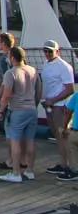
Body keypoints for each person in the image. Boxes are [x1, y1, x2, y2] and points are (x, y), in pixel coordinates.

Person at [0, 46, 42, 183]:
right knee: (30, 141)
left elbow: (6, 95)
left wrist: (1, 111)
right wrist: (34, 104)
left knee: (15, 141)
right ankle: (30, 171)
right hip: (32, 109)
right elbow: (39, 91)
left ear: (12, 58)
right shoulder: (33, 70)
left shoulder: (10, 73)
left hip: (17, 110)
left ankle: (16, 172)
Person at [41, 40, 76, 178]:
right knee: (57, 136)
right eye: (45, 51)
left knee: (64, 137)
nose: (47, 53)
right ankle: (63, 164)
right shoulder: (46, 63)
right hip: (50, 105)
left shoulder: (64, 67)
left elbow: (70, 89)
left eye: (50, 51)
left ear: (57, 51)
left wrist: (52, 100)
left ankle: (71, 167)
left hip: (60, 106)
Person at [60, 77, 78, 181]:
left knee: (72, 147)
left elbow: (67, 112)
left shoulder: (77, 95)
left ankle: (75, 171)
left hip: (76, 131)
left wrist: (64, 127)